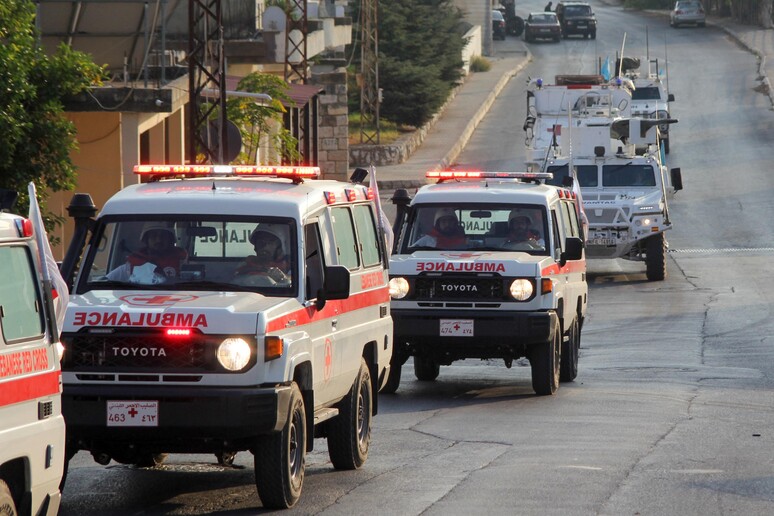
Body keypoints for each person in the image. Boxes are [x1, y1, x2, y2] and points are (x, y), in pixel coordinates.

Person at [107, 222, 187, 283]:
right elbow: (105, 282)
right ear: (146, 239)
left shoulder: (182, 263)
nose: (158, 240)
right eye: (153, 236)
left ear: (170, 240)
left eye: (163, 236)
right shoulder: (130, 267)